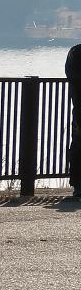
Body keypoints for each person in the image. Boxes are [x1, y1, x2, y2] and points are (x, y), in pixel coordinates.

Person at [68, 41, 81, 200]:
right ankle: (78, 185)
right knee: (78, 145)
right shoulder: (76, 53)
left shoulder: (75, 52)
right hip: (80, 108)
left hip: (79, 107)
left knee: (78, 145)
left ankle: (78, 185)